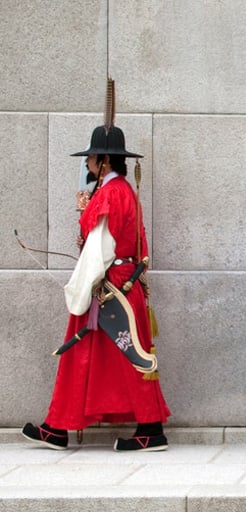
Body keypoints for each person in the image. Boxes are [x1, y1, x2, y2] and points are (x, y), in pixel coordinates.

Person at [22, 80, 170, 452]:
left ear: (103, 161)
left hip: (108, 286)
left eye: (91, 158)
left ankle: (148, 429)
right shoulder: (122, 192)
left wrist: (79, 288)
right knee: (103, 357)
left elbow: (99, 251)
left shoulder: (109, 194)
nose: (87, 163)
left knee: (121, 356)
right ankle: (59, 426)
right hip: (122, 285)